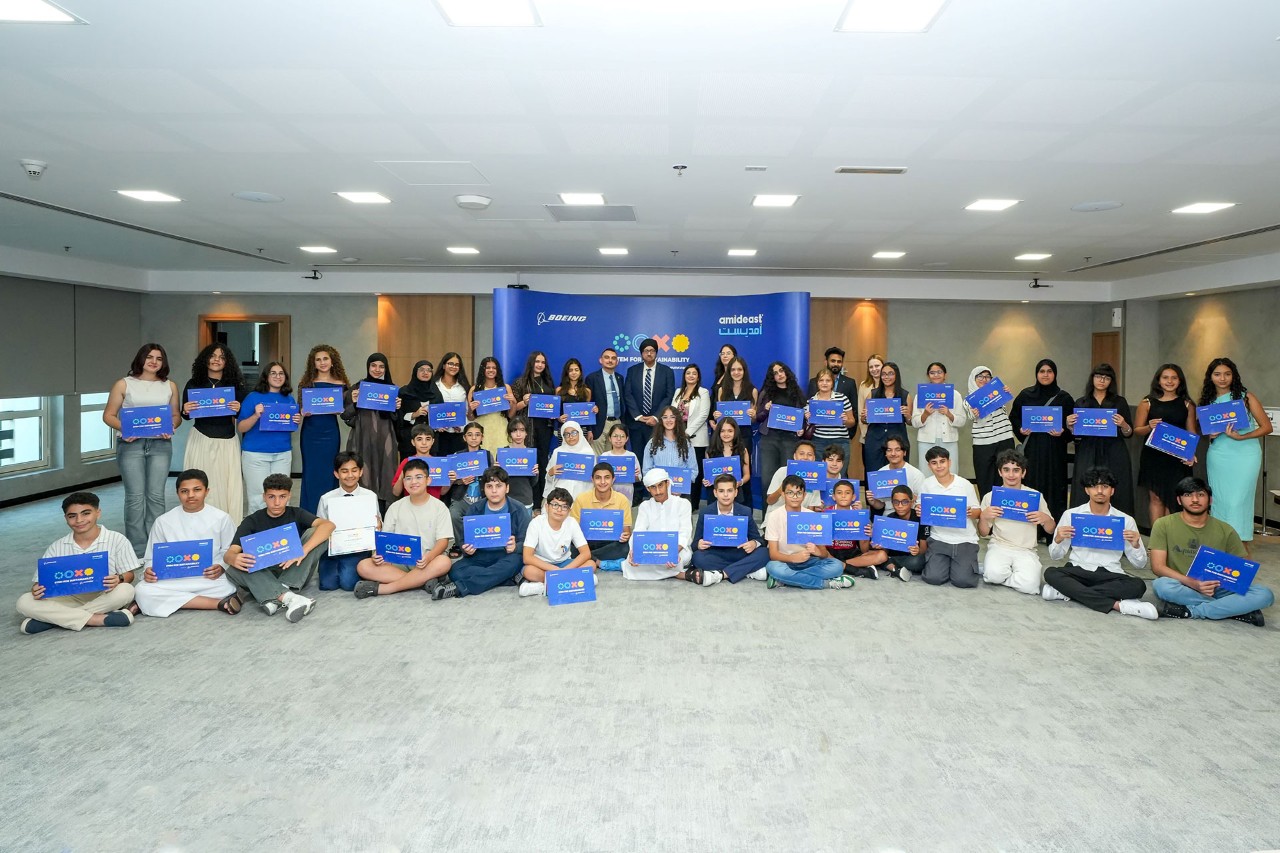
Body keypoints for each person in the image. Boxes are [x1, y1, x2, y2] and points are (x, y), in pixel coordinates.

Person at [1150, 477, 1274, 626]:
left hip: (1219, 587)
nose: (1195, 500)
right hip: (1183, 585)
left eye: (1201, 495)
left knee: (1264, 594)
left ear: (1210, 500)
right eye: (1188, 495)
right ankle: (1234, 608)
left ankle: (1192, 611)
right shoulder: (1163, 524)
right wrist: (1193, 583)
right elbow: (1158, 567)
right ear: (1179, 500)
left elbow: (1243, 569)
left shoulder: (1225, 529)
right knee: (1162, 586)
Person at [17, 491, 139, 634]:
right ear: (65, 518)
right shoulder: (57, 546)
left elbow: (130, 575)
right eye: (72, 516)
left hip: (104, 594)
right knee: (24, 601)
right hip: (69, 597)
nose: (79, 520)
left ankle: (53, 620)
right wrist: (36, 589)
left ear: (98, 513)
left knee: (126, 590)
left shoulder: (117, 539)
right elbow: (40, 583)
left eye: (86, 513)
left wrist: (119, 578)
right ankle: (95, 619)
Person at [1042, 466, 1154, 620]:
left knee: (1139, 585)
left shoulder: (1126, 520)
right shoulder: (1071, 515)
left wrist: (1135, 545)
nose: (1100, 491)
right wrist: (1058, 539)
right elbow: (1055, 556)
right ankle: (1118, 605)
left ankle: (1068, 592)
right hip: (1078, 570)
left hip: (1110, 574)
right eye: (1094, 486)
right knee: (1051, 573)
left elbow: (1139, 565)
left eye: (1105, 486)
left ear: (1112, 491)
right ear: (1087, 490)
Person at [102, 343, 181, 555]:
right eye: (150, 357)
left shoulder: (169, 386)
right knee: (135, 497)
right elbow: (108, 415)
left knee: (156, 496)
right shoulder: (124, 384)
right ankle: (136, 549)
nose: (154, 362)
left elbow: (176, 416)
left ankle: (155, 547)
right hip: (131, 445)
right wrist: (126, 429)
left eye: (159, 358)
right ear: (141, 359)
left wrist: (172, 427)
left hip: (160, 444)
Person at [222, 473, 332, 621]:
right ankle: (288, 597)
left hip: (294, 570)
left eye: (282, 496)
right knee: (233, 568)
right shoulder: (252, 520)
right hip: (265, 572)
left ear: (289, 496)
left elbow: (329, 525)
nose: (277, 502)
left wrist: (302, 551)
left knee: (318, 533)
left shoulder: (296, 513)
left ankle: (273, 594)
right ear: (264, 496)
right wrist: (234, 558)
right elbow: (229, 554)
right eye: (271, 497)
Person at [134, 469, 240, 617]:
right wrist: (149, 570)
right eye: (184, 491)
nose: (190, 495)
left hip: (209, 578)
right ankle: (216, 603)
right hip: (172, 579)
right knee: (142, 589)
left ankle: (169, 601)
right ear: (177, 493)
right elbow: (151, 556)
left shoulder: (222, 518)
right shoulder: (163, 521)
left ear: (206, 491)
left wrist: (221, 567)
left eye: (197, 490)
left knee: (229, 586)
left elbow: (230, 551)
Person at [352, 458, 453, 600]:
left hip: (427, 561)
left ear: (428, 480)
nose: (413, 482)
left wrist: (428, 557)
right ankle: (421, 581)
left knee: (444, 562)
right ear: (403, 482)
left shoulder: (439, 507)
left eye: (419, 477)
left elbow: (443, 540)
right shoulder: (395, 507)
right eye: (408, 478)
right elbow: (385, 538)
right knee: (363, 566)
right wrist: (378, 554)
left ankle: (386, 588)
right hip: (398, 562)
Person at [1199, 357, 1272, 546]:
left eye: (1227, 374)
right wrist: (1211, 435)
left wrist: (1242, 437)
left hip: (1246, 455)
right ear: (1210, 377)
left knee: (1238, 502)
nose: (1222, 378)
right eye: (1217, 374)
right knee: (1220, 501)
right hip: (1219, 456)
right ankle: (1220, 545)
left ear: (1234, 376)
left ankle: (1240, 544)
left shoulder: (1246, 397)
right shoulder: (1207, 401)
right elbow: (1206, 433)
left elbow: (1266, 427)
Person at [436, 467, 532, 600]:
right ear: (484, 489)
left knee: (517, 561)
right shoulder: (474, 509)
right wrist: (467, 549)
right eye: (489, 486)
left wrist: (516, 546)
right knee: (455, 571)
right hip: (480, 556)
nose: (494, 491)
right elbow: (464, 540)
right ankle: (507, 578)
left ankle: (462, 587)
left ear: (507, 488)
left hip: (506, 556)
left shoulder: (519, 509)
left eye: (498, 486)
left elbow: (527, 543)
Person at [180, 343, 245, 521]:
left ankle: (227, 526)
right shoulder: (194, 383)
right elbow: (185, 416)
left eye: (222, 357)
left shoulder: (235, 385)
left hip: (228, 441)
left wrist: (239, 408)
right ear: (205, 359)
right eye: (213, 356)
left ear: (227, 362)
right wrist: (185, 409)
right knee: (199, 482)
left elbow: (243, 414)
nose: (217, 360)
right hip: (201, 439)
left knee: (227, 486)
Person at [1010, 358, 1074, 539]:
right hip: (1032, 452)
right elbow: (1014, 418)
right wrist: (1021, 430)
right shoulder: (1025, 395)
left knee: (1055, 488)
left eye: (1049, 371)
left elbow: (1073, 427)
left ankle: (1052, 532)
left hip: (1055, 452)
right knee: (1032, 487)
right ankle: (1032, 531)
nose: (1045, 375)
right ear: (1036, 374)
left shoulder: (1064, 398)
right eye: (1042, 371)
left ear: (1055, 374)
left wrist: (1062, 432)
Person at [978, 449, 1055, 595]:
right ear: (1000, 472)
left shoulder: (1035, 496)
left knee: (1031, 587)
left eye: (1016, 470)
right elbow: (983, 533)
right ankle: (996, 571)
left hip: (1026, 549)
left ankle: (1001, 573)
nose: (1011, 475)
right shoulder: (991, 496)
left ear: (1023, 473)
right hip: (999, 546)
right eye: (1006, 470)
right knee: (993, 575)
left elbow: (1051, 530)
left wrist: (1045, 519)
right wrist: (983, 517)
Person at [1066, 363, 1135, 516]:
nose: (1102, 380)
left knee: (1116, 488)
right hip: (1088, 450)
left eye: (1106, 378)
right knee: (1085, 486)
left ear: (1111, 381)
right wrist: (1070, 426)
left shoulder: (1119, 402)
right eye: (1098, 376)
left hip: (1114, 450)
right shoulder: (1081, 402)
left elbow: (1129, 432)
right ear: (1092, 379)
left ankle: (1119, 528)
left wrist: (1123, 424)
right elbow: (1075, 435)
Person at [1133, 363, 1198, 523]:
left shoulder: (1187, 404)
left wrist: (1191, 453)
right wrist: (1149, 426)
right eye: (1165, 377)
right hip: (1153, 458)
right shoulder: (1147, 402)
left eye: (1174, 378)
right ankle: (1157, 542)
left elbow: (1192, 433)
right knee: (1156, 498)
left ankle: (1170, 539)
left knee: (1174, 499)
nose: (1170, 381)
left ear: (1180, 381)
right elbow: (1137, 430)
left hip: (1177, 459)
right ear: (1158, 380)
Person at [763, 475, 852, 590]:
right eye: (790, 493)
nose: (795, 497)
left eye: (799, 493)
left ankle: (785, 579)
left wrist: (818, 552)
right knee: (772, 567)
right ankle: (826, 584)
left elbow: (824, 554)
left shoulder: (812, 516)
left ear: (804, 495)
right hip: (785, 562)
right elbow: (773, 554)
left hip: (809, 561)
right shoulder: (774, 516)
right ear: (783, 494)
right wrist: (793, 558)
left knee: (837, 566)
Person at [237, 361, 301, 514]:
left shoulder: (289, 399)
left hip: (282, 454)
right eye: (273, 373)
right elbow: (241, 427)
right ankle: (257, 535)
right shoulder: (253, 397)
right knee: (258, 499)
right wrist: (255, 415)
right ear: (266, 377)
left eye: (281, 373)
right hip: (256, 455)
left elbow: (290, 427)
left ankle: (279, 533)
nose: (277, 376)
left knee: (281, 497)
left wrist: (297, 421)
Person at [342, 353, 401, 510]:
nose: (377, 369)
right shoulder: (357, 388)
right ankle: (363, 509)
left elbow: (396, 419)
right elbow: (346, 416)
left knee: (386, 472)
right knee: (364, 469)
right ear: (368, 367)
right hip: (363, 437)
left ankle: (384, 512)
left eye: (381, 366)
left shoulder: (391, 389)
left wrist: (397, 407)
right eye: (373, 365)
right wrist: (354, 403)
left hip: (385, 437)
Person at [316, 451, 381, 592]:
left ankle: (350, 569)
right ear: (336, 474)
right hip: (333, 549)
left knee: (348, 584)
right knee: (327, 585)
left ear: (361, 472)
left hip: (358, 548)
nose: (350, 475)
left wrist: (378, 528)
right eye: (344, 471)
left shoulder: (370, 496)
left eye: (354, 470)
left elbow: (378, 525)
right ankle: (333, 567)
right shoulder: (326, 499)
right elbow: (320, 528)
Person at [688, 473, 769, 585]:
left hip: (739, 553)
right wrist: (699, 544)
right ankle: (746, 571)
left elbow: (758, 539)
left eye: (730, 491)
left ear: (736, 492)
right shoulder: (706, 512)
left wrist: (754, 543)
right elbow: (694, 544)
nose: (726, 495)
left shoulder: (745, 511)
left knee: (764, 553)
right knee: (697, 558)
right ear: (715, 492)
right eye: (721, 491)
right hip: (715, 554)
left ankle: (720, 574)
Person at [918, 446, 981, 588]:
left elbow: (978, 512)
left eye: (942, 461)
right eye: (934, 462)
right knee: (933, 578)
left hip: (964, 539)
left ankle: (964, 564)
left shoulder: (964, 484)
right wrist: (919, 509)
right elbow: (919, 507)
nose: (939, 466)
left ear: (949, 462)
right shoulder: (927, 484)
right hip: (938, 538)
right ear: (929, 466)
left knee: (963, 581)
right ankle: (951, 564)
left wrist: (971, 512)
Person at [297, 343, 350, 513]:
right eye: (318, 360)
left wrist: (341, 409)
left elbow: (347, 411)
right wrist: (303, 412)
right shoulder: (306, 384)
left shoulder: (341, 384)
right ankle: (309, 514)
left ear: (332, 361)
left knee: (329, 472)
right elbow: (299, 409)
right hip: (310, 434)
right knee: (311, 474)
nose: (322, 362)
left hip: (330, 434)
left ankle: (329, 513)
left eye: (325, 358)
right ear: (313, 363)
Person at [619, 469, 694, 581]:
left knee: (681, 559)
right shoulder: (645, 506)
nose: (658, 491)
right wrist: (634, 551)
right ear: (648, 489)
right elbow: (639, 531)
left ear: (667, 484)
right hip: (651, 550)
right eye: (653, 487)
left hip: (677, 550)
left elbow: (685, 533)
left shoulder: (683, 504)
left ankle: (669, 570)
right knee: (633, 563)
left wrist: (671, 553)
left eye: (660, 485)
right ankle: (676, 574)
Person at [519, 487, 592, 597]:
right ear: (547, 507)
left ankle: (544, 587)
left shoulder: (572, 523)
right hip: (543, 565)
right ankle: (573, 580)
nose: (559, 510)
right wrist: (555, 570)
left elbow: (586, 553)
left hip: (564, 564)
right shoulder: (536, 523)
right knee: (528, 571)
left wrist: (565, 570)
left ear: (569, 511)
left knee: (591, 565)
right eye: (555, 505)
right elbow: (527, 557)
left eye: (564, 507)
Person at [510, 351, 557, 511]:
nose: (540, 365)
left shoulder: (548, 383)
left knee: (543, 464)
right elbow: (512, 409)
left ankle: (541, 503)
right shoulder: (520, 382)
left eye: (543, 362)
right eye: (537, 361)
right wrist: (523, 402)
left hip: (545, 429)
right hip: (527, 429)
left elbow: (553, 407)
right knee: (530, 464)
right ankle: (530, 501)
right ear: (531, 363)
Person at [755, 360, 807, 496]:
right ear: (772, 377)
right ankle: (768, 515)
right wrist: (765, 410)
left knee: (788, 480)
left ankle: (786, 515)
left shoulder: (796, 391)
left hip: (790, 440)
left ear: (786, 372)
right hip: (769, 439)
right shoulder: (766, 393)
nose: (779, 375)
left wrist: (801, 429)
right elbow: (758, 417)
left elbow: (802, 416)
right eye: (775, 373)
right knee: (767, 480)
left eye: (781, 371)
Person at [623, 338, 676, 471]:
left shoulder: (667, 371)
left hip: (657, 424)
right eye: (646, 351)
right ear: (641, 353)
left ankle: (655, 489)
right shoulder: (632, 371)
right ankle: (640, 490)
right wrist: (638, 416)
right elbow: (628, 394)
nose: (649, 353)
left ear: (656, 353)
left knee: (657, 457)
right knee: (639, 458)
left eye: (652, 350)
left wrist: (656, 417)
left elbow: (668, 396)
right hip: (636, 424)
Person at [711, 356, 757, 503]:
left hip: (744, 437)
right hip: (725, 437)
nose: (736, 372)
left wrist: (753, 415)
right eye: (733, 369)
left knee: (744, 474)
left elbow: (753, 419)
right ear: (729, 371)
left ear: (744, 371)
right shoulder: (722, 390)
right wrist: (716, 415)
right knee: (724, 472)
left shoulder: (753, 390)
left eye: (739, 369)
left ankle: (746, 511)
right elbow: (719, 416)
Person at [965, 365, 1016, 498]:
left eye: (987, 376)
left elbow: (1004, 412)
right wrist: (975, 413)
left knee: (1006, 475)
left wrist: (1004, 394)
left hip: (1004, 438)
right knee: (984, 478)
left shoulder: (997, 392)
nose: (984, 379)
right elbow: (971, 416)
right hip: (983, 442)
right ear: (973, 379)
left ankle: (1006, 507)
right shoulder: (969, 399)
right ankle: (987, 510)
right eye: (980, 376)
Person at [570, 461, 633, 566]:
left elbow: (626, 531)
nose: (602, 482)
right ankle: (597, 560)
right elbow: (573, 528)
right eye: (598, 478)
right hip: (587, 542)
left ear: (613, 480)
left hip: (610, 544)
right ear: (592, 480)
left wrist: (625, 536)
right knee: (570, 546)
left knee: (626, 547)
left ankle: (588, 558)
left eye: (607, 477)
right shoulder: (581, 498)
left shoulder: (622, 500)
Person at [445, 422, 494, 551]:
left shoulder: (488, 456)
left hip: (483, 497)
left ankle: (482, 544)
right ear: (464, 437)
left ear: (482, 437)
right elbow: (450, 480)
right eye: (470, 435)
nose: (473, 438)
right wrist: (461, 480)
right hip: (462, 497)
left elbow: (493, 478)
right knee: (454, 514)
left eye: (477, 435)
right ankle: (460, 544)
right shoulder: (457, 455)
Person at [824, 478, 884, 580]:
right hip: (830, 552)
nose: (843, 496)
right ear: (834, 496)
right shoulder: (826, 513)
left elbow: (864, 550)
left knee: (882, 555)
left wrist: (866, 535)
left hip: (851, 553)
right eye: (839, 493)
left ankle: (840, 566)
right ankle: (853, 569)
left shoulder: (859, 514)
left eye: (847, 493)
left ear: (853, 497)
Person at [911, 361, 967, 467]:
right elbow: (914, 422)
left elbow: (962, 421)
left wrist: (949, 414)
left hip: (949, 440)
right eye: (932, 373)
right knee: (926, 471)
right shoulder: (920, 395)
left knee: (950, 470)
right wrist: (925, 414)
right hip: (926, 440)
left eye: (939, 372)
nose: (936, 375)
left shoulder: (955, 395)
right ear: (928, 376)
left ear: (945, 375)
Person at [862, 360, 911, 473]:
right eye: (883, 374)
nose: (886, 377)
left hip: (898, 439)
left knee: (897, 473)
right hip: (875, 439)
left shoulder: (905, 395)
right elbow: (864, 420)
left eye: (890, 373)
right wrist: (864, 416)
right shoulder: (872, 394)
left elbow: (909, 421)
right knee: (874, 473)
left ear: (896, 375)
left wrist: (908, 415)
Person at [806, 367, 857, 478]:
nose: (824, 383)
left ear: (832, 383)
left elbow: (852, 422)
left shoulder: (842, 398)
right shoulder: (811, 402)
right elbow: (805, 426)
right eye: (821, 380)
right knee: (820, 477)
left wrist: (845, 421)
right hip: (818, 443)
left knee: (840, 476)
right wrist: (806, 418)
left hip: (841, 441)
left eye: (828, 380)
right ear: (817, 383)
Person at [673, 363, 711, 506]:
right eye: (688, 373)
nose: (691, 376)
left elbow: (703, 415)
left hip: (696, 439)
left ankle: (693, 503)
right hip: (677, 437)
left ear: (698, 376)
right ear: (684, 375)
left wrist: (687, 433)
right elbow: (672, 412)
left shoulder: (703, 392)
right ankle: (680, 501)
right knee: (681, 469)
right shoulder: (678, 392)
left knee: (695, 471)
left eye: (694, 373)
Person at [872, 485, 927, 580]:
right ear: (892, 503)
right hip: (894, 554)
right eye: (896, 502)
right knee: (877, 554)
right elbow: (885, 549)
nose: (900, 506)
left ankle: (890, 565)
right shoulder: (889, 518)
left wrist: (917, 551)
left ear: (912, 502)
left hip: (911, 557)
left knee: (919, 562)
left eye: (904, 502)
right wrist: (880, 545)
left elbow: (924, 549)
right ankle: (895, 567)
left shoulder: (920, 519)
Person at [764, 440, 825, 521]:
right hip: (777, 519)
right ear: (795, 456)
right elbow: (769, 501)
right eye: (801, 454)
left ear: (814, 458)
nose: (805, 457)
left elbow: (811, 508)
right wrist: (780, 489)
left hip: (800, 522)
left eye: (809, 454)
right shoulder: (782, 471)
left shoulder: (816, 477)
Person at [467, 356, 515, 455]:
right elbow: (471, 418)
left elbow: (510, 415)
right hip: (482, 428)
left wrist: (513, 402)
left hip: (501, 428)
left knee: (500, 459)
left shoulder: (505, 388)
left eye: (494, 368)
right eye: (488, 368)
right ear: (482, 370)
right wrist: (471, 410)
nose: (491, 370)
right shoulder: (474, 389)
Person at [642, 406, 695, 493]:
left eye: (672, 417)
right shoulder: (652, 443)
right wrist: (656, 488)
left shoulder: (686, 443)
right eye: (665, 417)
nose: (668, 420)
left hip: (681, 492)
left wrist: (681, 488)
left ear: (677, 419)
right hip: (658, 492)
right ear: (661, 420)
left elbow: (693, 470)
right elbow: (646, 470)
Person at [866, 436, 924, 514]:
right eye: (889, 450)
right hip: (889, 513)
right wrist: (872, 501)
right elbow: (880, 505)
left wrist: (912, 498)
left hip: (910, 515)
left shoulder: (916, 474)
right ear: (885, 454)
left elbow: (922, 504)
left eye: (897, 450)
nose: (893, 454)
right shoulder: (881, 473)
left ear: (904, 452)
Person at [585, 347, 626, 454]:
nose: (610, 360)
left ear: (617, 362)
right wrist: (589, 429)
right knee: (597, 459)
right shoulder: (592, 378)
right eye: (607, 357)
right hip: (599, 424)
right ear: (601, 360)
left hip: (617, 423)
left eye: (613, 358)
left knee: (612, 458)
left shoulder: (620, 378)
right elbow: (588, 405)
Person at [428, 351, 471, 457]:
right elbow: (428, 407)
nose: (454, 367)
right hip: (438, 434)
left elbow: (467, 411)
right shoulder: (433, 385)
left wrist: (461, 427)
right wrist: (435, 425)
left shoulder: (464, 386)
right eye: (450, 363)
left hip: (458, 434)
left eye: (457, 365)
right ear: (443, 365)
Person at [543, 420, 594, 505]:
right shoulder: (558, 452)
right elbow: (549, 478)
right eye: (566, 434)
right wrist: (550, 473)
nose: (570, 437)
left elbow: (593, 478)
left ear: (580, 433)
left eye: (574, 433)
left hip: (582, 494)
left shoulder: (588, 452)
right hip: (560, 495)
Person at [392, 425, 445, 500]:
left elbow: (442, 492)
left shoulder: (439, 463)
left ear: (433, 441)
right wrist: (402, 476)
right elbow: (396, 492)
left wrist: (451, 480)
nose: (424, 443)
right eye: (419, 439)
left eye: (428, 439)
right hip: (410, 505)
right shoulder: (407, 462)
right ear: (413, 442)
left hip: (433, 506)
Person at [703, 416, 752, 495]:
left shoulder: (742, 450)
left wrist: (740, 482)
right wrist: (706, 481)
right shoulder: (710, 451)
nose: (726, 434)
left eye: (730, 431)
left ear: (735, 432)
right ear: (718, 432)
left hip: (736, 493)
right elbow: (708, 476)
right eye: (722, 431)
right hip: (717, 495)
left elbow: (747, 475)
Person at [397, 359, 435, 458]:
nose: (425, 372)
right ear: (415, 372)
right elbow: (398, 416)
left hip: (431, 444)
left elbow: (440, 416)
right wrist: (414, 415)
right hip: (408, 442)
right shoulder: (404, 392)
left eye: (429, 370)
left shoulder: (436, 394)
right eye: (422, 370)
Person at [856, 354, 885, 480]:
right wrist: (865, 434)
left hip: (887, 436)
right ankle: (870, 500)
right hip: (869, 435)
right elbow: (861, 410)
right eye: (871, 367)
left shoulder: (891, 384)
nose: (874, 369)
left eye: (877, 365)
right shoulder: (864, 385)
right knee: (871, 471)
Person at [599, 422, 641, 503]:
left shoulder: (631, 456)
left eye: (622, 436)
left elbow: (638, 478)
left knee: (625, 513)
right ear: (609, 438)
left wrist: (635, 476)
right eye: (615, 436)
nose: (618, 439)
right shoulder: (605, 456)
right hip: (607, 491)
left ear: (627, 439)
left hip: (627, 491)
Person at [503, 417, 539, 509]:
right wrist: (497, 471)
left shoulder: (530, 453)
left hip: (525, 500)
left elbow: (533, 483)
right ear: (510, 433)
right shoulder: (503, 452)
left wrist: (535, 474)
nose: (518, 434)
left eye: (522, 430)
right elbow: (500, 481)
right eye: (515, 430)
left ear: (526, 433)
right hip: (506, 501)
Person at [556, 357, 595, 441]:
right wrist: (559, 418)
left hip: (582, 430)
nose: (574, 373)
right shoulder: (559, 390)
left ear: (580, 372)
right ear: (567, 373)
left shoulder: (587, 391)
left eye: (576, 370)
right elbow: (556, 412)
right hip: (565, 429)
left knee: (581, 453)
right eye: (571, 370)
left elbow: (588, 414)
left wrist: (590, 431)